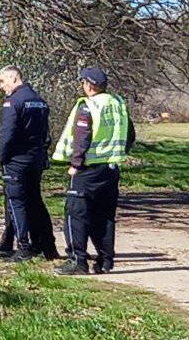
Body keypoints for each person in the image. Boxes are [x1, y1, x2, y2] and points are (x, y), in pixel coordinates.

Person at [53, 67, 136, 275]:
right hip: (110, 168)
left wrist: (75, 164)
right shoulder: (117, 104)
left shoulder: (88, 106)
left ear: (89, 85)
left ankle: (77, 261)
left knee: (75, 213)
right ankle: (105, 261)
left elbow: (82, 138)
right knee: (104, 216)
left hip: (87, 170)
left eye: (83, 83)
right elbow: (130, 134)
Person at [0, 65, 59, 262]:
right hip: (36, 158)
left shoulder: (13, 102)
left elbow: (7, 135)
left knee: (17, 202)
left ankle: (23, 247)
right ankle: (47, 245)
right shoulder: (39, 101)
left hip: (17, 160)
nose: (1, 86)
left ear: (14, 78)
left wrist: (2, 157)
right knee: (35, 201)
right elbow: (45, 134)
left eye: (2, 81)